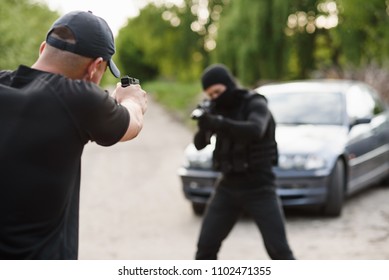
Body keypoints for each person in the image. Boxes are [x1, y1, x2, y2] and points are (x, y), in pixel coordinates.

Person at [0, 11, 147, 259]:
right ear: (95, 67)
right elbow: (132, 122)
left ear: (43, 48)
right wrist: (131, 99)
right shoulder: (79, 99)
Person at [193, 64, 295, 260]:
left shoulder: (255, 103)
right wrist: (204, 124)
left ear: (228, 85)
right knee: (205, 249)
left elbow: (254, 130)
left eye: (218, 92)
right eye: (210, 94)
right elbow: (199, 144)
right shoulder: (217, 108)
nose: (215, 97)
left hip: (260, 187)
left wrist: (218, 123)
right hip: (227, 186)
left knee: (279, 251)